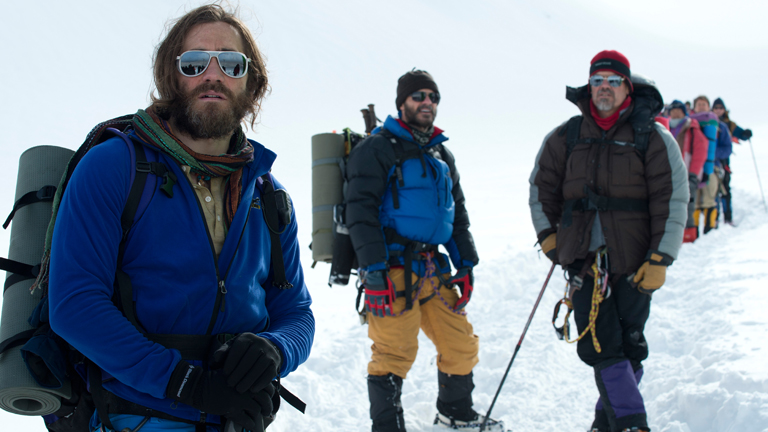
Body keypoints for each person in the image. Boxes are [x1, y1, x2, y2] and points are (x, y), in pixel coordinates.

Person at [48, 5, 314, 432]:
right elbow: (74, 304)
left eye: (231, 62)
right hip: (135, 416)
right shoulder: (113, 166)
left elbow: (296, 310)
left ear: (252, 81)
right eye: (194, 62)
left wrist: (275, 350)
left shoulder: (269, 194)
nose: (213, 74)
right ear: (172, 77)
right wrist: (186, 383)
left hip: (238, 420)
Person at [529, 50, 688, 432]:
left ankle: (605, 423)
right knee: (599, 343)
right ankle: (633, 423)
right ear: (589, 85)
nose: (604, 87)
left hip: (636, 262)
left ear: (627, 87)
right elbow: (541, 189)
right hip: (584, 261)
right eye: (598, 79)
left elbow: (673, 197)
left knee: (628, 345)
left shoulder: (652, 136)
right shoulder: (566, 135)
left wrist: (661, 258)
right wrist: (549, 237)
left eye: (613, 81)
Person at [346, 70, 501, 431]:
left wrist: (467, 263)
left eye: (433, 97)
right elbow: (360, 212)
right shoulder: (378, 148)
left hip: (434, 268)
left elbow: (457, 214)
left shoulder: (440, 152)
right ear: (402, 103)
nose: (427, 102)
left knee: (460, 343)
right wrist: (375, 269)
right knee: (393, 352)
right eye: (418, 96)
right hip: (393, 269)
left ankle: (455, 411)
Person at [667, 100, 709, 242]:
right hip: (668, 174)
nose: (675, 113)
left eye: (678, 110)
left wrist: (693, 174)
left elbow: (700, 152)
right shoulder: (665, 128)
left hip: (687, 173)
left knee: (688, 204)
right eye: (672, 111)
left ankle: (689, 235)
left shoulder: (692, 128)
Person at [691, 96, 731, 233]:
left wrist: (712, 154)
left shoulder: (719, 126)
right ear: (694, 107)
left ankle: (710, 230)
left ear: (708, 107)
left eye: (704, 104)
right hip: (692, 168)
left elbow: (727, 148)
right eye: (699, 104)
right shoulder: (689, 125)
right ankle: (693, 232)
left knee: (709, 199)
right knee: (693, 200)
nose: (701, 107)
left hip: (712, 168)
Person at [712, 97, 753, 224]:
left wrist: (746, 134)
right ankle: (714, 218)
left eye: (720, 108)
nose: (718, 110)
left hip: (724, 161)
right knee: (713, 190)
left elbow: (740, 133)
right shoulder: (707, 121)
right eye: (716, 108)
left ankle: (727, 217)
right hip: (709, 161)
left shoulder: (729, 124)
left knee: (725, 189)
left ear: (724, 110)